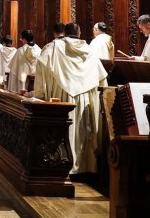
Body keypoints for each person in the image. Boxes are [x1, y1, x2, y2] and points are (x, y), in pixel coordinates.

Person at [33, 22, 107, 174]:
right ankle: (84, 167)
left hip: (60, 97)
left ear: (64, 33)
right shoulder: (90, 51)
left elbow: (41, 70)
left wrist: (39, 95)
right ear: (79, 34)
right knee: (83, 130)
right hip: (84, 99)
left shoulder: (53, 48)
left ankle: (61, 164)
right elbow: (102, 81)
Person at [31, 23, 65, 99]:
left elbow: (41, 71)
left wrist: (38, 94)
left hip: (52, 94)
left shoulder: (48, 48)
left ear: (54, 33)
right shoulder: (71, 47)